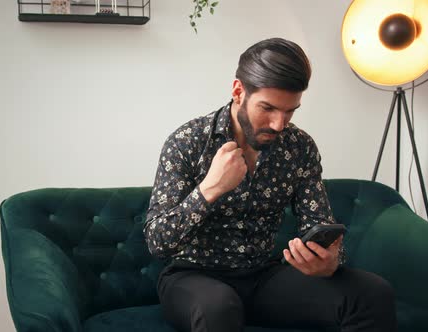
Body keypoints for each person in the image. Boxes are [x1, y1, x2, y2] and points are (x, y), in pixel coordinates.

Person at [143, 38, 398, 332]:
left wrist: (330, 261)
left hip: (265, 277)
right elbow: (157, 242)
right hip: (191, 278)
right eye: (268, 108)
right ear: (238, 91)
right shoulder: (187, 142)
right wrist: (210, 189)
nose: (279, 124)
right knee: (218, 308)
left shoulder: (298, 147)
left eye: (290, 111)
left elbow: (319, 224)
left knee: (373, 293)